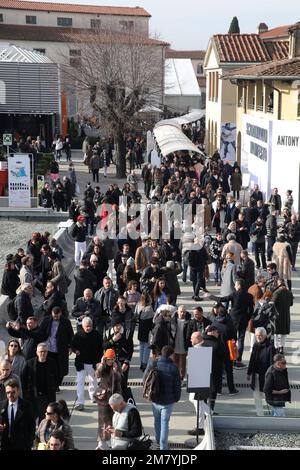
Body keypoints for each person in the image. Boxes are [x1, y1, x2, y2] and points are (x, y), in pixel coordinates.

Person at [149, 345, 181, 450]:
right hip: (168, 401)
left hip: (155, 399)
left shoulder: (154, 364)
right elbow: (177, 385)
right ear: (170, 355)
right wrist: (177, 398)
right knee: (164, 423)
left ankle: (158, 441)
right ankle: (163, 447)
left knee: (157, 421)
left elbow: (146, 378)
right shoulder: (173, 367)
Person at [71, 317, 102, 411]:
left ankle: (93, 396)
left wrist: (99, 362)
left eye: (90, 326)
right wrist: (75, 350)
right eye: (86, 326)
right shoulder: (78, 335)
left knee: (93, 380)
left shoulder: (97, 335)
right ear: (83, 326)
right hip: (81, 363)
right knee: (80, 382)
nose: (88, 328)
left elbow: (101, 348)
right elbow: (72, 345)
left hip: (93, 363)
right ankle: (80, 402)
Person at [21, 342, 58, 422]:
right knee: (33, 416)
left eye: (45, 351)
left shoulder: (52, 362)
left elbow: (57, 377)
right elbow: (23, 379)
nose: (43, 353)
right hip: (33, 395)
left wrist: (53, 387)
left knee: (46, 416)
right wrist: (26, 392)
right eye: (41, 351)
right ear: (37, 352)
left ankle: (43, 431)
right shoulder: (29, 363)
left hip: (47, 394)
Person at [95, 349, 123, 450]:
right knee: (103, 420)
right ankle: (101, 442)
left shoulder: (117, 365)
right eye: (108, 359)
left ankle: (110, 440)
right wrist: (102, 364)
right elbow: (97, 374)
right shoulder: (101, 365)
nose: (110, 361)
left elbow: (120, 379)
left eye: (112, 359)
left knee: (112, 420)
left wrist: (116, 372)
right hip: (103, 398)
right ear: (105, 359)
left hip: (114, 397)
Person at [247, 327, 276, 416]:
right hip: (256, 375)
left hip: (266, 376)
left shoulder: (270, 347)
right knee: (256, 395)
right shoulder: (256, 345)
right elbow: (252, 359)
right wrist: (249, 372)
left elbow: (272, 364)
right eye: (257, 335)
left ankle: (273, 413)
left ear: (265, 336)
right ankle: (260, 414)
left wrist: (272, 377)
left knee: (267, 395)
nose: (258, 337)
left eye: (260, 335)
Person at [0, 378, 35, 450]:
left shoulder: (26, 406)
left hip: (22, 444)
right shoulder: (1, 405)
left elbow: (32, 425)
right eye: (8, 392)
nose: (10, 395)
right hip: (5, 444)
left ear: (18, 391)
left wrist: (29, 442)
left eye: (13, 392)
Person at [272, 278, 293, 354]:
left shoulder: (276, 292)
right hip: (286, 315)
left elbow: (272, 303)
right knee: (284, 333)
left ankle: (276, 347)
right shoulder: (289, 292)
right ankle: (281, 347)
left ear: (278, 284)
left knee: (275, 333)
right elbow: (291, 303)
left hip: (277, 315)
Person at [135, 292, 154, 372]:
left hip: (141, 328)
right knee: (147, 347)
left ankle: (141, 363)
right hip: (147, 330)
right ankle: (145, 363)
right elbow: (152, 319)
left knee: (141, 347)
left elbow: (135, 314)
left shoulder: (138, 305)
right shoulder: (149, 308)